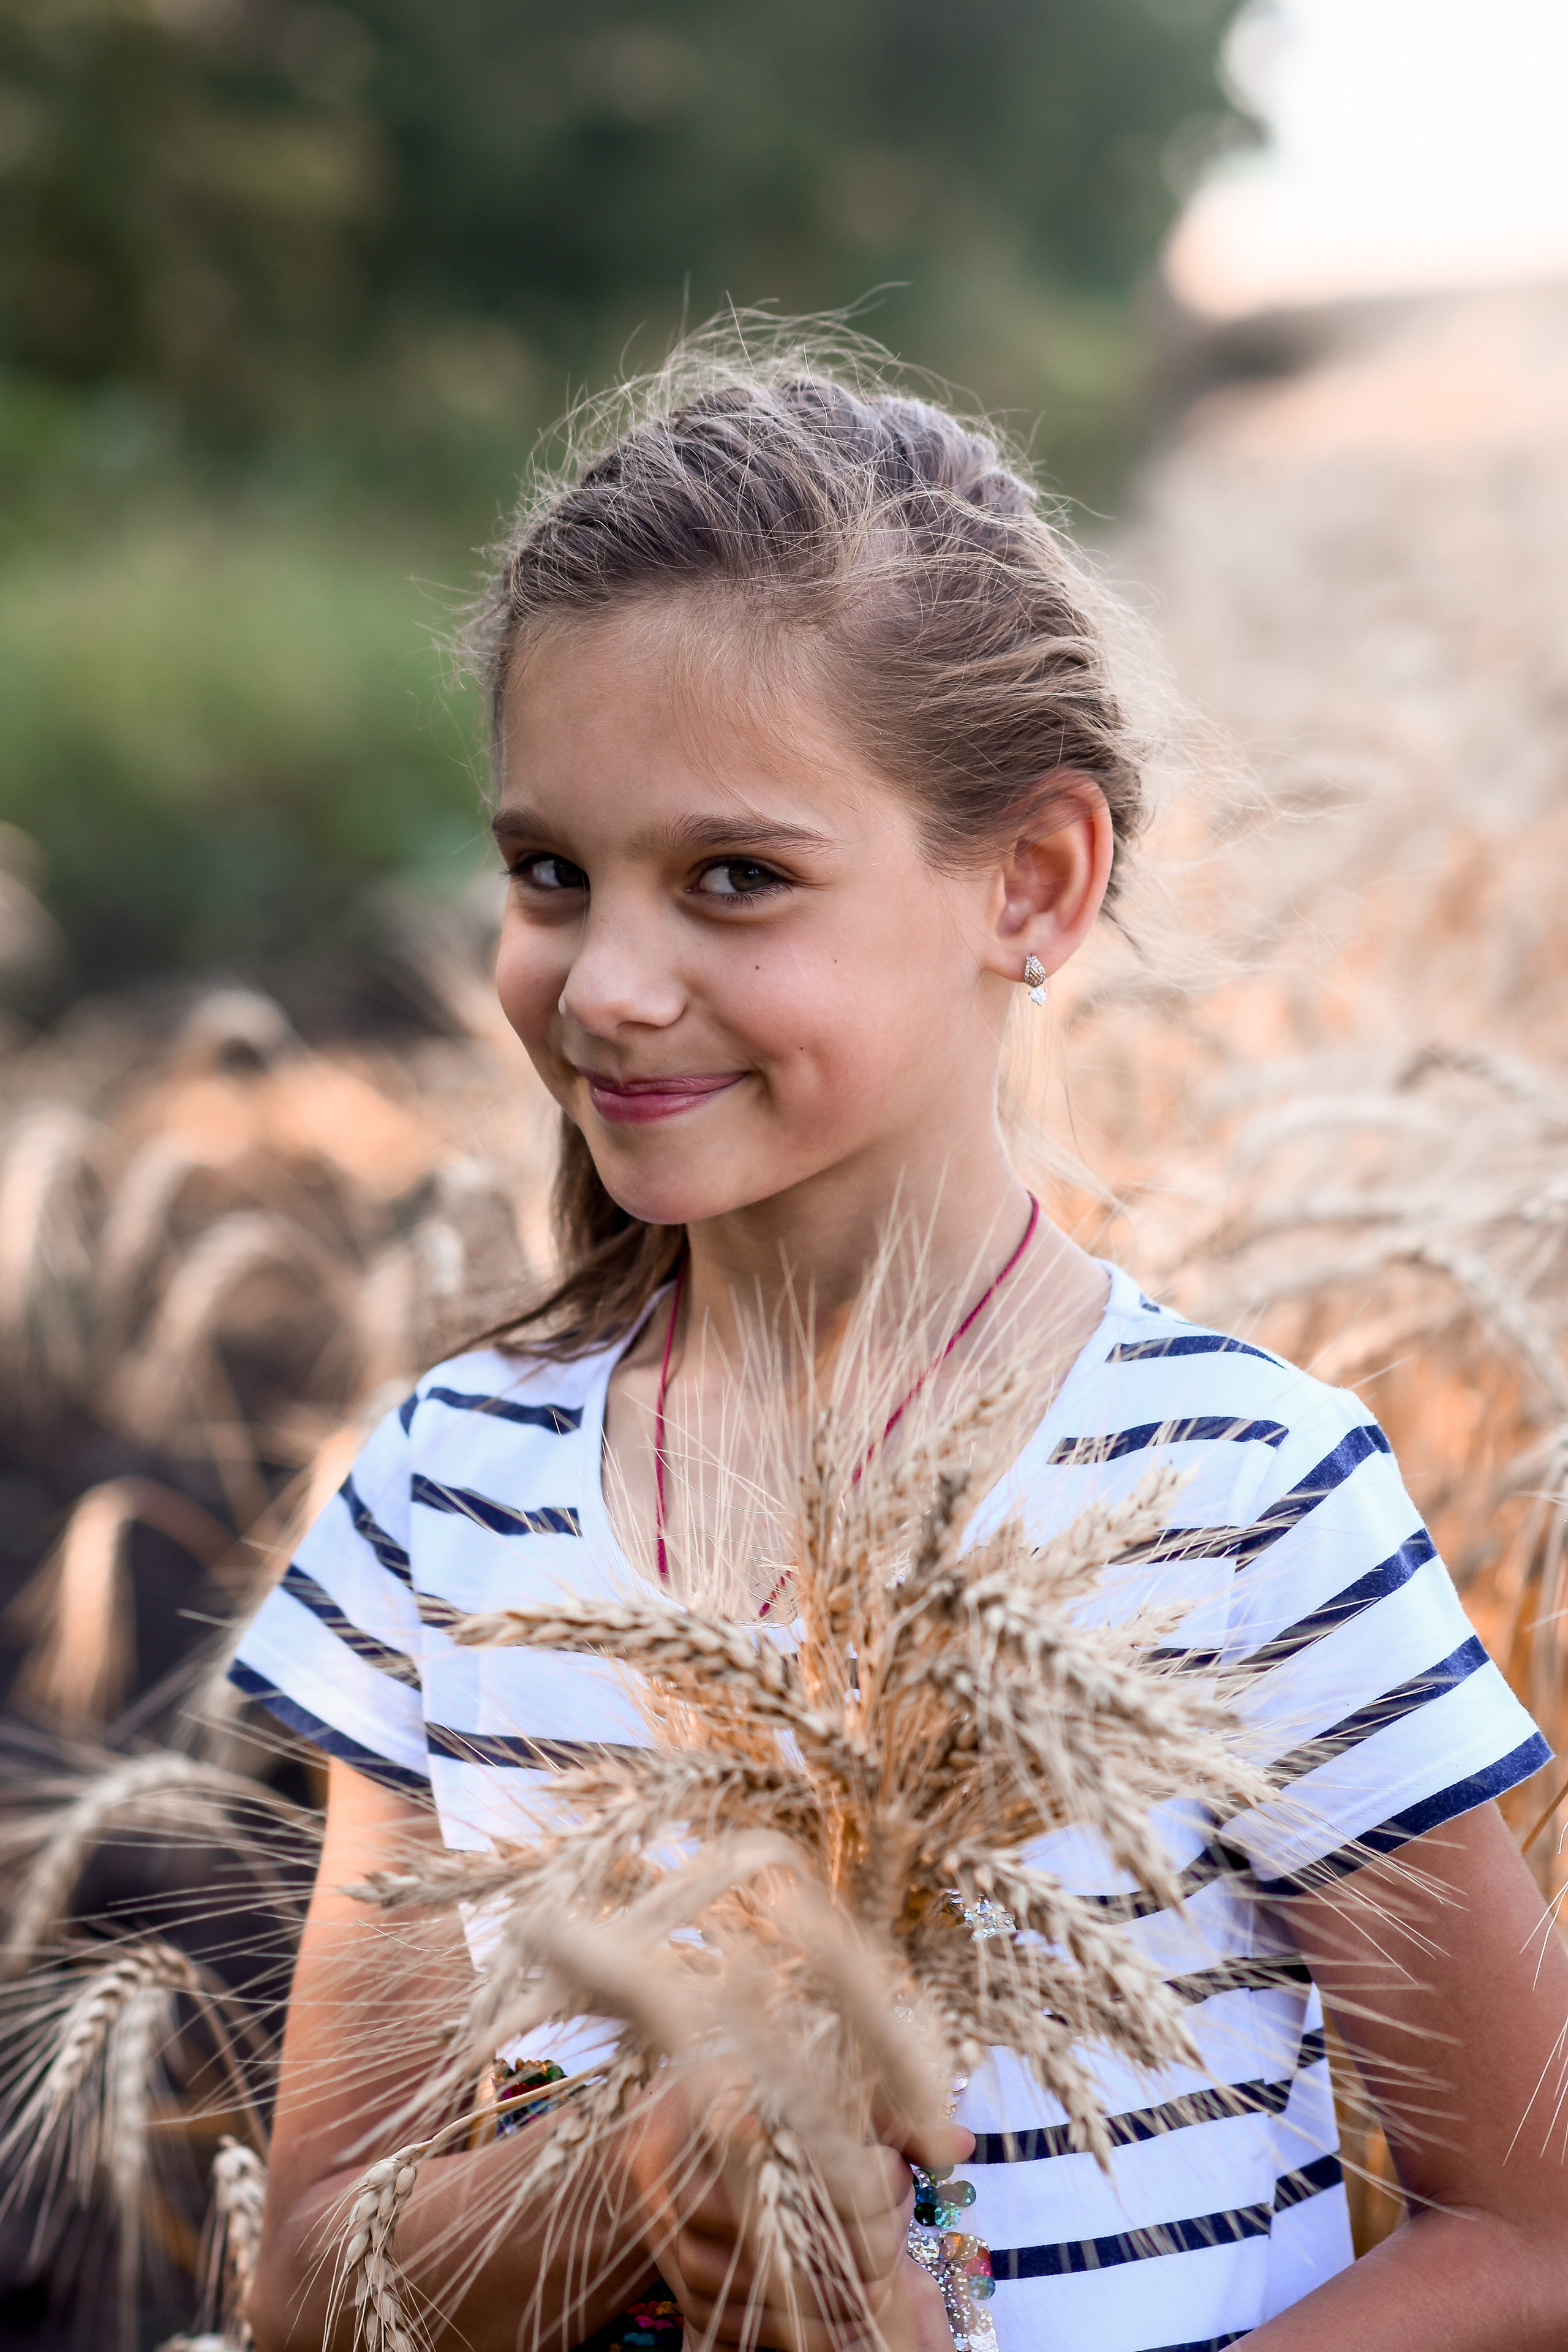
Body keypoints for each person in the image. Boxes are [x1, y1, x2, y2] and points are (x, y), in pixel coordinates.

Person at [235, 341, 1568, 2352]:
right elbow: (311, 2286)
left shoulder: (1233, 1499)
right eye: (549, 874)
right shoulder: (450, 1495)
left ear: (1033, 882)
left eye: (735, 878)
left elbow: (1535, 2234)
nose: (606, 985)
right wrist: (634, 2172)